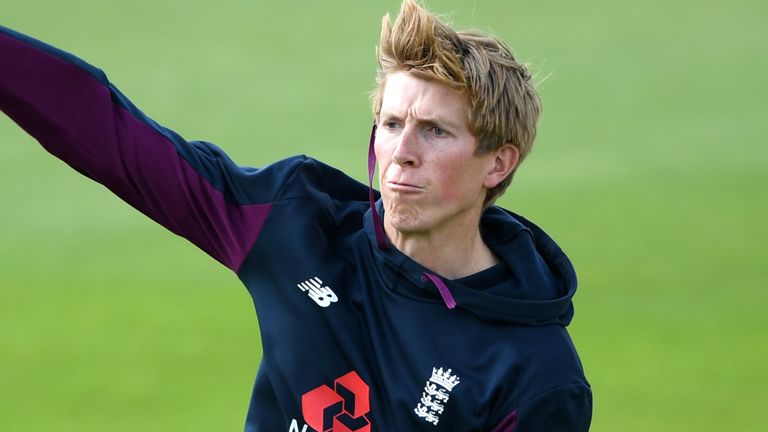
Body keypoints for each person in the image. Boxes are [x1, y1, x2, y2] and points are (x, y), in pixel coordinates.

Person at [0, 0, 592, 430]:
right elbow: (110, 134)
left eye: (435, 131)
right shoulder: (295, 227)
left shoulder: (536, 375)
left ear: (497, 164)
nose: (402, 152)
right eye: (391, 124)